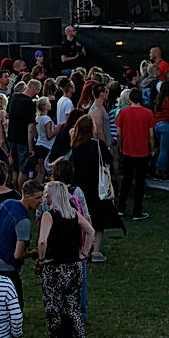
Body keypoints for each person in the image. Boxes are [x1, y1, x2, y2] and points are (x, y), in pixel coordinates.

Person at [37, 181, 95, 338]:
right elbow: (91, 231)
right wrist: (84, 253)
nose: (45, 197)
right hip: (74, 266)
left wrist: (41, 259)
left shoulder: (49, 215)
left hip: (54, 267)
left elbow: (42, 241)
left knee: (53, 307)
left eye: (47, 194)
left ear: (53, 196)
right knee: (73, 306)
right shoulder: (73, 214)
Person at [68, 115, 122, 262]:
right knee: (99, 219)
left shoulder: (75, 147)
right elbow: (110, 159)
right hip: (96, 186)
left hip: (80, 186)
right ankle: (95, 250)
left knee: (83, 218)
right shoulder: (97, 145)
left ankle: (84, 247)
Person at [0, 178, 43, 298]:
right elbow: (18, 255)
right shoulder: (24, 221)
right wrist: (32, 253)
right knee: (14, 305)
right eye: (37, 198)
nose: (41, 201)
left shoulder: (7, 203)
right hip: (6, 267)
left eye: (42, 197)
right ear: (26, 196)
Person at [114, 89, 155, 221]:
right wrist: (152, 149)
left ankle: (121, 207)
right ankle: (137, 210)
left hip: (127, 149)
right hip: (142, 151)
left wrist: (120, 146)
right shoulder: (148, 113)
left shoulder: (123, 112)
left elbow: (119, 132)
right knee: (139, 181)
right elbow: (151, 135)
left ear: (129, 99)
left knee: (126, 179)